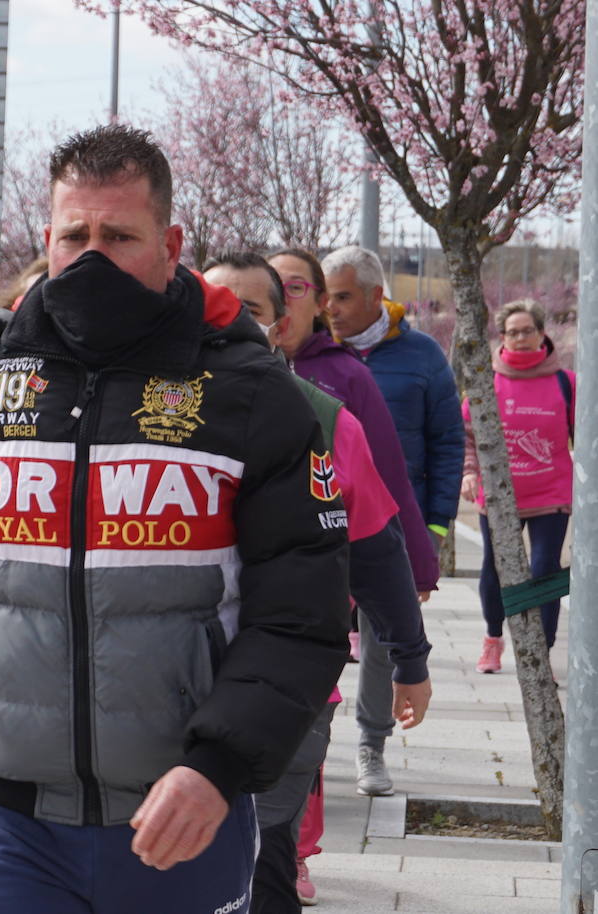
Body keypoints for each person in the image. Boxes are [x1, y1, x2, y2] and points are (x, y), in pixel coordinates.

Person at [0, 124, 350, 914]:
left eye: (120, 235)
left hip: (180, 819)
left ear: (170, 243)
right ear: (49, 237)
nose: (94, 255)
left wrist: (220, 765)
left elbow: (303, 617)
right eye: (75, 234)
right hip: (5, 817)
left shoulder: (249, 391)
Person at [205, 253, 432, 912]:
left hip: (284, 688)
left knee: (263, 863)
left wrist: (409, 659)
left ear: (281, 327)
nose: (224, 321)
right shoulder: (144, 406)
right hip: (164, 687)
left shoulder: (327, 420)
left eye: (247, 310)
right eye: (211, 305)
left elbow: (376, 549)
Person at [319, 245, 462, 800]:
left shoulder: (422, 355)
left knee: (386, 635)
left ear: (378, 295)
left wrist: (438, 527)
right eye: (325, 296)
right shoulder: (316, 357)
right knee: (319, 631)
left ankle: (370, 746)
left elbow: (448, 442)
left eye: (344, 296)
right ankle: (310, 745)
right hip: (326, 520)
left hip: (394, 526)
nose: (331, 308)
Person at [461, 299, 575, 672]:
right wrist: (469, 471)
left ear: (542, 334)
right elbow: (466, 434)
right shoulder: (486, 380)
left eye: (528, 331)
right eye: (513, 332)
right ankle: (493, 639)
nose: (521, 338)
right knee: (496, 567)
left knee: (544, 567)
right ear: (502, 337)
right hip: (497, 494)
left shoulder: (565, 382)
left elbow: (584, 437)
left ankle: (540, 650)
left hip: (551, 493)